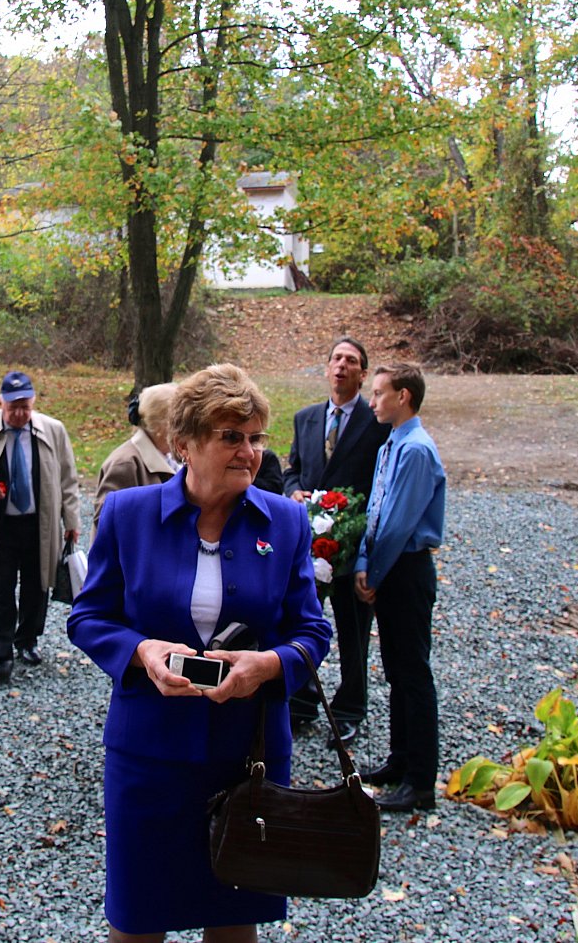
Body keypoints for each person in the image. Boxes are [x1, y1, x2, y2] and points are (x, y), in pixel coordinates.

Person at [68, 363, 331, 942]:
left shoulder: (286, 520)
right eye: (230, 436)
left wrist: (267, 666)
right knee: (139, 915)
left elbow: (312, 632)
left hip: (248, 754)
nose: (249, 451)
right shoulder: (128, 515)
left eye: (256, 437)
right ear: (182, 444)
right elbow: (87, 617)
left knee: (234, 916)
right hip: (149, 753)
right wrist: (141, 651)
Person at [282, 336, 390, 747]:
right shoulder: (306, 418)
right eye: (336, 359)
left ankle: (349, 709)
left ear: (363, 374)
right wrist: (294, 492)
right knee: (301, 624)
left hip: (350, 546)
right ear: (327, 368)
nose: (341, 366)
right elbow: (294, 469)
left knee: (352, 629)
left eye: (351, 361)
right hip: (307, 544)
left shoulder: (375, 422)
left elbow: (379, 484)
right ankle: (302, 702)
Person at [353, 363, 446, 815]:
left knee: (413, 674)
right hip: (389, 567)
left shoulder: (415, 451)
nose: (372, 402)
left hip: (405, 570)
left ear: (404, 397)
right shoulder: (393, 443)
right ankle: (399, 759)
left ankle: (420, 782)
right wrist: (365, 562)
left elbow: (397, 524)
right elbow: (375, 509)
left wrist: (374, 572)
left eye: (379, 393)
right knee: (395, 672)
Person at [0, 370, 80, 685]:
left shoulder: (53, 430)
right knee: (1, 588)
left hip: (40, 523)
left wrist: (72, 521)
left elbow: (68, 478)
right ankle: (2, 653)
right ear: (0, 402)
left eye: (25, 406)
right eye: (12, 407)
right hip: (0, 527)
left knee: (37, 586)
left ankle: (27, 640)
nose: (19, 413)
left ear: (33, 402)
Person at [92, 382, 178, 534]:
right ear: (161, 426)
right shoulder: (126, 464)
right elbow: (105, 522)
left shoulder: (170, 457)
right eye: (179, 421)